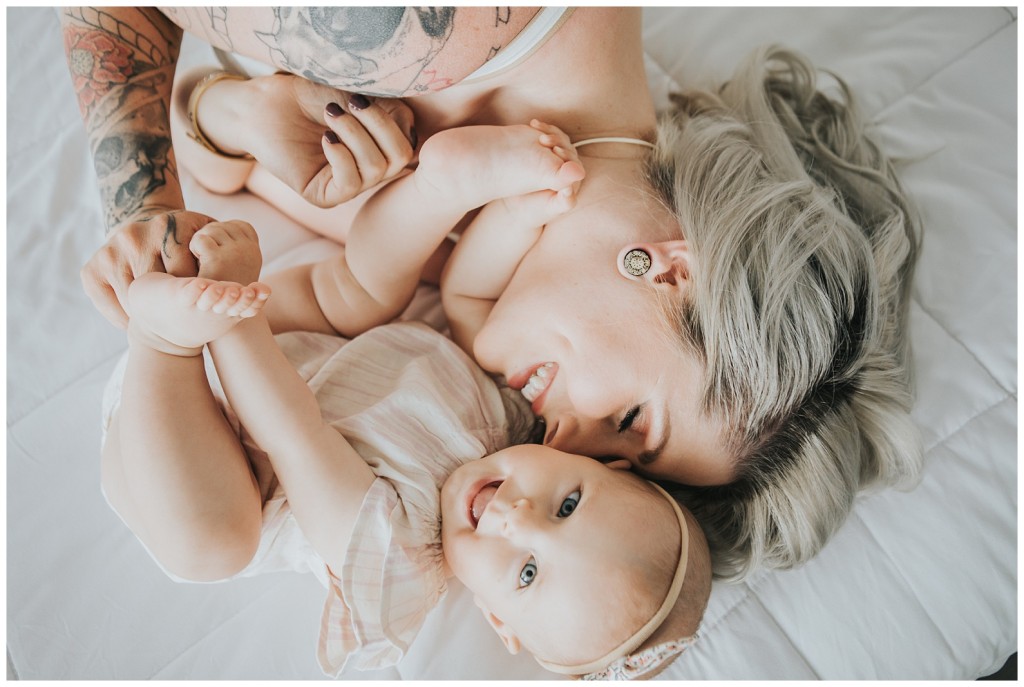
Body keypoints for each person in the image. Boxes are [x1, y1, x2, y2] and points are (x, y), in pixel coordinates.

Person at [64, 6, 921, 580]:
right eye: (630, 420)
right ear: (672, 270)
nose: (563, 437)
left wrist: (242, 115)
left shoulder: (478, 245)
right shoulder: (441, 29)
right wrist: (141, 214)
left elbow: (208, 119)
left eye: (608, 464)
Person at [99, 121, 712, 678]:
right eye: (568, 505)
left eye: (526, 573)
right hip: (290, 339)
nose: (517, 517)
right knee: (363, 294)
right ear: (602, 467)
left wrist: (231, 318)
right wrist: (516, 214)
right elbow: (465, 296)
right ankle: (439, 184)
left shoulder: (400, 558)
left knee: (212, 544)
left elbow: (294, 436)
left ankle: (158, 342)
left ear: (499, 620)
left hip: (195, 439)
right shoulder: (516, 421)